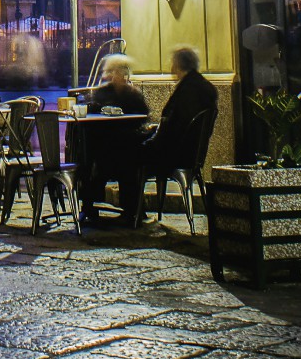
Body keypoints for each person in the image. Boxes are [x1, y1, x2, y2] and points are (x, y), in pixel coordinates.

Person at [120, 45, 218, 227]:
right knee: (133, 148)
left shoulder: (187, 91)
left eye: (173, 63)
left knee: (128, 154)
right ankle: (135, 212)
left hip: (174, 154)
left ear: (179, 65)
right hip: (192, 154)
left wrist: (150, 138)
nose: (171, 67)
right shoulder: (204, 87)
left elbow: (172, 130)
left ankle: (133, 212)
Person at [76, 53, 149, 224]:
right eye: (114, 71)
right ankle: (92, 205)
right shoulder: (105, 93)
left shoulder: (131, 94)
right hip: (109, 144)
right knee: (100, 160)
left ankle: (93, 205)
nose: (116, 75)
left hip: (120, 145)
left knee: (111, 162)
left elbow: (143, 117)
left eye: (119, 71)